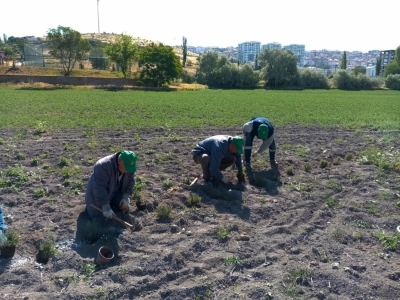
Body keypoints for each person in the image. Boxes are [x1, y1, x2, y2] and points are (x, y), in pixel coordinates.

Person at [85, 150, 137, 219]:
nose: (128, 171)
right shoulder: (103, 166)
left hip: (114, 191)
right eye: (126, 168)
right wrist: (106, 207)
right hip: (96, 195)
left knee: (122, 208)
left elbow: (131, 181)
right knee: (99, 219)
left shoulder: (129, 165)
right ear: (119, 161)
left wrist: (125, 197)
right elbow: (99, 188)